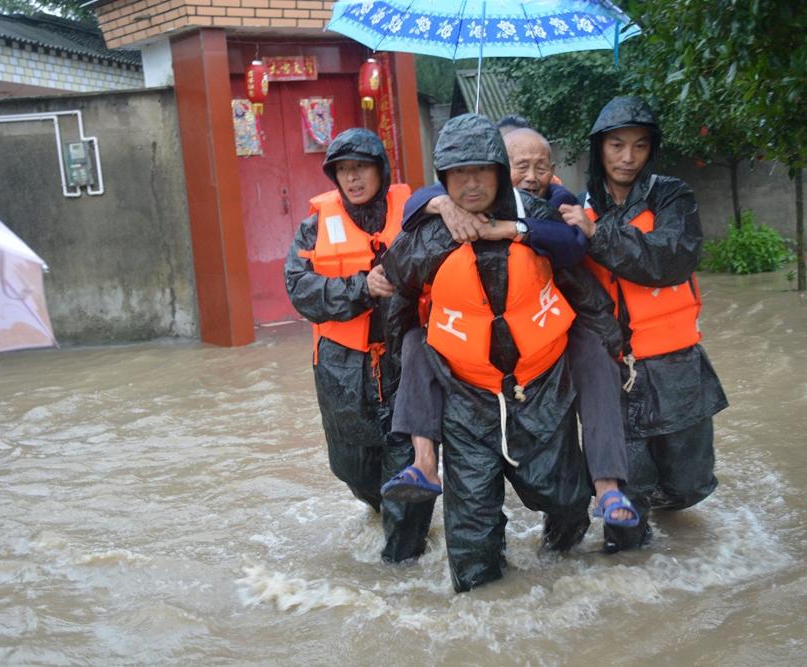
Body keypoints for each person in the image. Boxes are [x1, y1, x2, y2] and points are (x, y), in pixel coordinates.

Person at [381, 113, 623, 592]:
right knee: (471, 541)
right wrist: (398, 369)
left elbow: (583, 291)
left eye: (481, 171)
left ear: (498, 169)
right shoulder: (427, 235)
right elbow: (400, 303)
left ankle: (565, 577)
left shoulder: (539, 219)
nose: (470, 184)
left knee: (567, 503)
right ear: (442, 179)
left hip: (542, 390)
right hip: (466, 399)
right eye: (457, 174)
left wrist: (615, 347)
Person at [559, 97, 729, 553]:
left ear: (651, 150)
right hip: (615, 371)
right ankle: (631, 554)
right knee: (626, 513)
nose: (627, 157)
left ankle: (664, 512)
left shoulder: (672, 196)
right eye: (616, 145)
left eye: (638, 146)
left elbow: (670, 259)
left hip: (676, 365)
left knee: (690, 484)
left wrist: (598, 235)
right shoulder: (574, 208)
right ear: (599, 149)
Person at [284, 128, 434, 563]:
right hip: (340, 367)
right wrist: (361, 287)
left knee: (404, 457)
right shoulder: (313, 228)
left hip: (403, 358)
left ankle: (401, 563)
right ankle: (384, 508)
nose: (352, 179)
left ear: (381, 171)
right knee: (351, 466)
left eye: (361, 168)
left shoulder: (413, 215)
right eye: (344, 171)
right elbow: (299, 289)